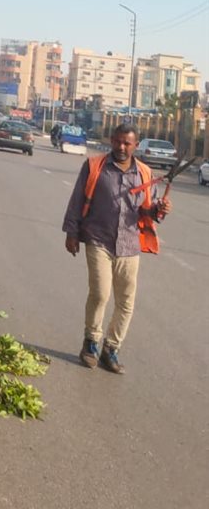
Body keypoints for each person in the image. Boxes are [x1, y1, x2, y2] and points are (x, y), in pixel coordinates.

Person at [61, 123, 172, 375]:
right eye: (118, 142)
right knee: (100, 294)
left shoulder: (144, 173)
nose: (121, 147)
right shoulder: (94, 166)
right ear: (112, 141)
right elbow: (77, 199)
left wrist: (159, 210)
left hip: (129, 245)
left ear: (135, 145)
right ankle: (91, 342)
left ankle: (111, 348)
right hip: (98, 239)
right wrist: (72, 232)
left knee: (126, 301)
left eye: (127, 143)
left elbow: (147, 209)